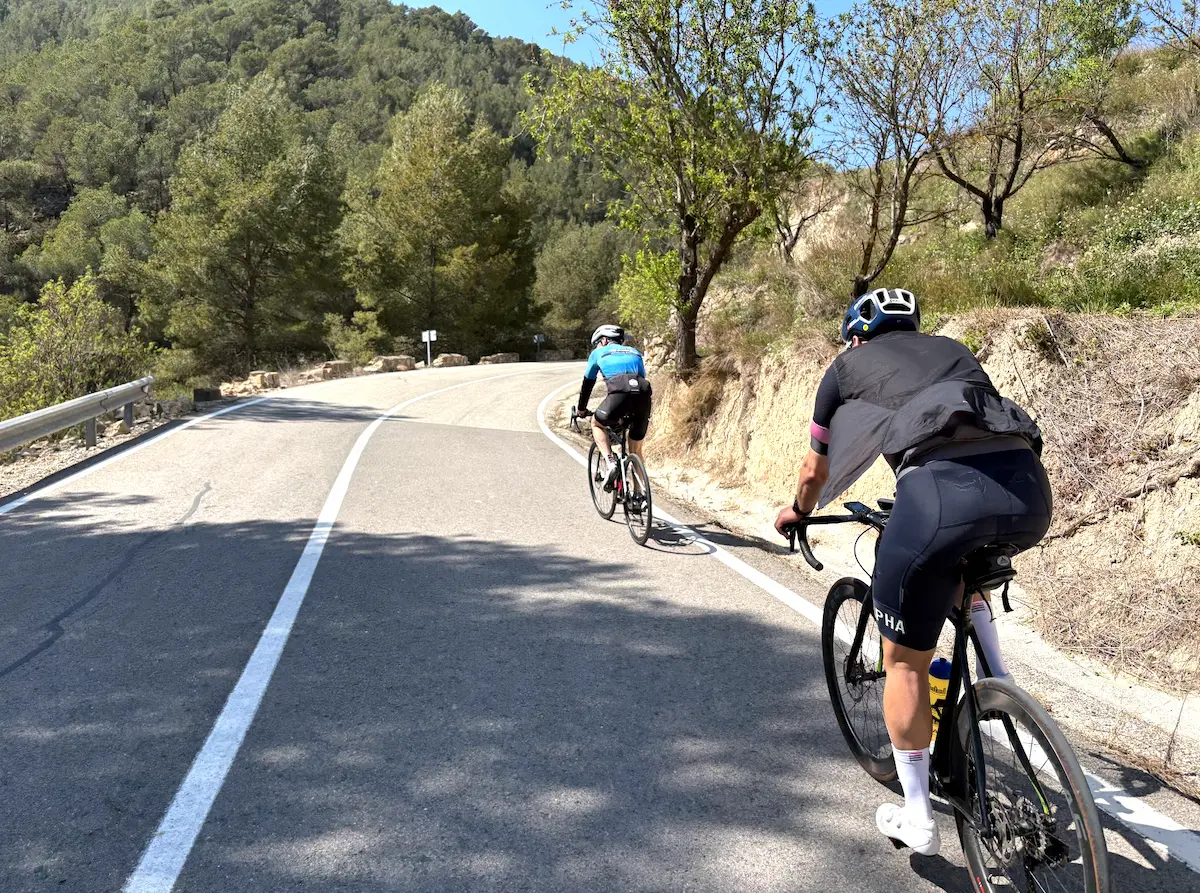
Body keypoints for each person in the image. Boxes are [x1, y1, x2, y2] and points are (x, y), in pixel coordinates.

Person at [773, 288, 1051, 857]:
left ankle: (919, 816)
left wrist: (798, 512)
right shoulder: (953, 349)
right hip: (1027, 490)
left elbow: (814, 466)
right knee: (965, 571)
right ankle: (1005, 692)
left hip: (938, 494)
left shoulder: (845, 366)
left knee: (902, 660)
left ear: (855, 335)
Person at [576, 324, 652, 492]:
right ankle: (639, 496)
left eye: (597, 343)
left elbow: (588, 383)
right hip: (643, 393)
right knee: (636, 449)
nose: (597, 347)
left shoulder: (597, 353)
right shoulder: (635, 352)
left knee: (597, 423)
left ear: (603, 340)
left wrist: (581, 409)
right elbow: (640, 378)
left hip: (619, 393)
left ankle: (610, 462)